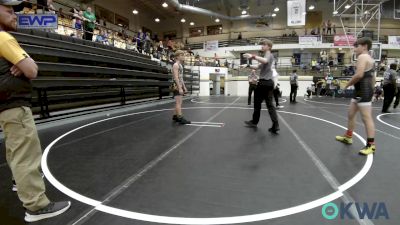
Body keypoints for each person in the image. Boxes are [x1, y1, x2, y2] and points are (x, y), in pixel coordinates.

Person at [0, 0, 71, 222]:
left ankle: (18, 184)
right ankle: (36, 206)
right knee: (25, 156)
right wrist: (27, 61)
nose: (14, 15)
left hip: (4, 106)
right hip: (14, 105)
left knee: (15, 152)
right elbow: (31, 70)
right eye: (9, 11)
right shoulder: (3, 38)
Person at [336, 37, 376, 155]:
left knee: (366, 118)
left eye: (357, 46)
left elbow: (358, 75)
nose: (354, 49)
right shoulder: (370, 59)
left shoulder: (362, 57)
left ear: (364, 46)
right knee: (351, 114)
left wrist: (346, 85)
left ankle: (371, 146)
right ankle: (348, 137)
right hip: (362, 91)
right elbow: (373, 78)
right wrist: (372, 90)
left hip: (363, 91)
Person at [242, 39, 280, 134]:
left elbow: (265, 60)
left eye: (264, 44)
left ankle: (254, 122)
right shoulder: (267, 57)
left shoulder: (268, 55)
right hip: (268, 83)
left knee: (257, 103)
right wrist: (247, 65)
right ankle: (275, 125)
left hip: (264, 83)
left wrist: (253, 56)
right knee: (270, 105)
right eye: (261, 44)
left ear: (269, 47)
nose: (261, 46)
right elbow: (257, 67)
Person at [171, 50, 191, 125]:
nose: (183, 56)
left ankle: (175, 116)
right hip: (176, 85)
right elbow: (176, 77)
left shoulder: (180, 65)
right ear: (177, 57)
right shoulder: (175, 65)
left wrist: (184, 86)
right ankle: (180, 117)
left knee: (179, 101)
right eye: (181, 55)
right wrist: (179, 87)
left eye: (183, 55)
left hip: (179, 84)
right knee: (178, 102)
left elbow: (181, 77)